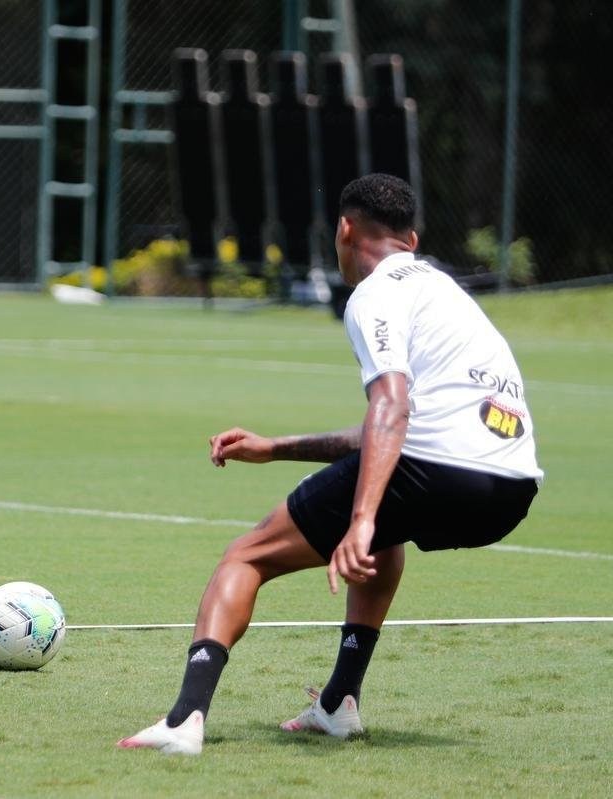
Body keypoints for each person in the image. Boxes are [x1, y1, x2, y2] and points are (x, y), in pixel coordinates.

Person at [118, 173, 542, 754]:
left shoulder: (374, 294)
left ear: (345, 228)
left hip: (434, 468)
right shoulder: (446, 292)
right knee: (386, 515)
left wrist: (362, 517)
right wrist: (276, 448)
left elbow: (390, 408)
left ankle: (183, 721)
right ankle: (339, 703)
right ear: (411, 240)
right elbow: (387, 434)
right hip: (512, 488)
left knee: (245, 556)